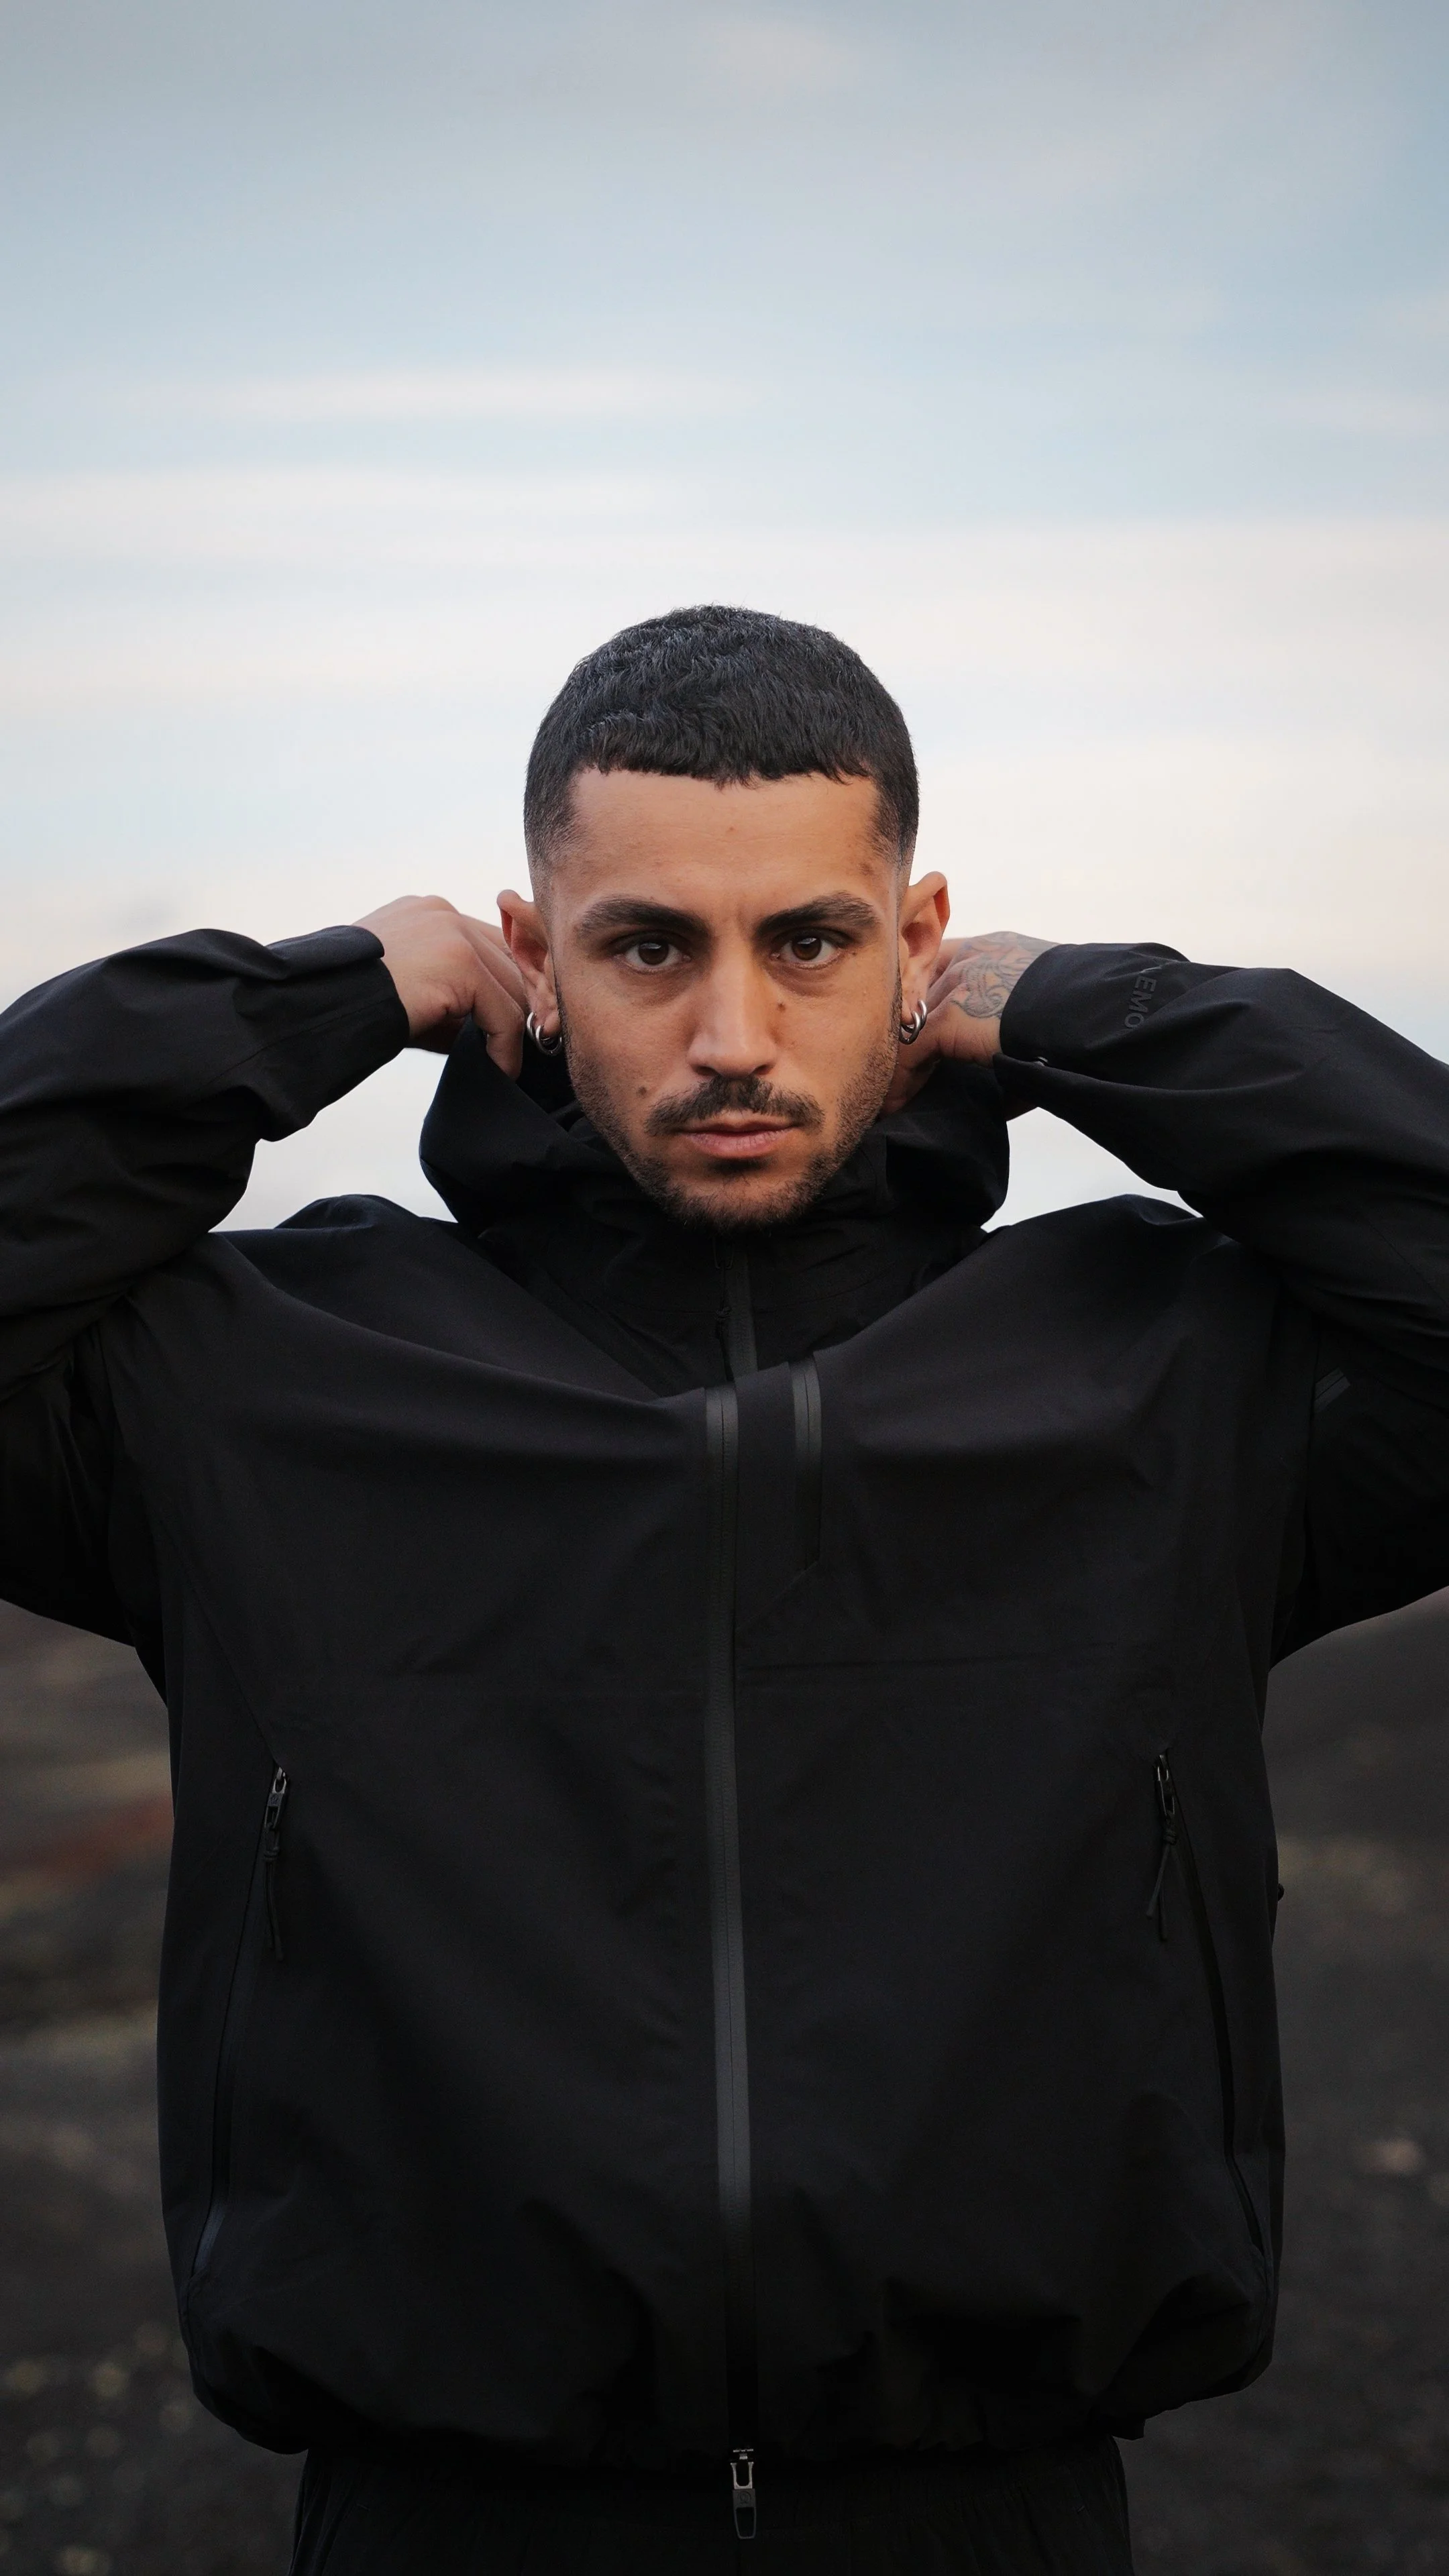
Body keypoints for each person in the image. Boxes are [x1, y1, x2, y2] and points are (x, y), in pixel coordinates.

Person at [1, 606, 1446, 2576]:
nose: (735, 1038)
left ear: (914, 938)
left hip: (994, 2518)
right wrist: (310, 998)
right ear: (534, 953)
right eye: (649, 945)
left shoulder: (1160, 1370)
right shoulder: (268, 1378)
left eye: (814, 943)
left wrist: (1098, 1008)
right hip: (442, 2523)